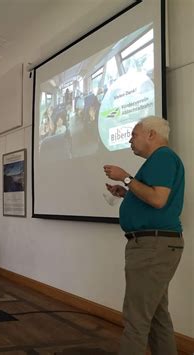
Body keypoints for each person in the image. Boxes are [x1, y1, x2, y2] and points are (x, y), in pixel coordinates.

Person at [103, 116, 184, 355]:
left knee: (136, 318)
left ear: (151, 134)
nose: (130, 140)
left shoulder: (163, 157)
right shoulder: (159, 161)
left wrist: (126, 178)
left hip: (152, 247)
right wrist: (127, 193)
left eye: (134, 134)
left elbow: (158, 200)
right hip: (155, 246)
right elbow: (152, 196)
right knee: (158, 317)